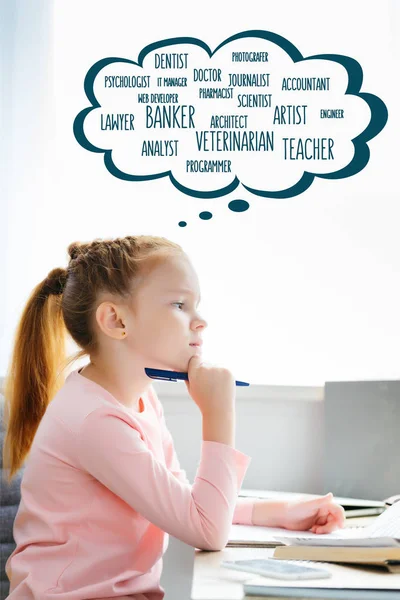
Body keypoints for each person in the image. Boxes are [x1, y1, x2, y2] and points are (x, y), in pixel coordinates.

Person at [2, 235, 345, 599]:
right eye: (180, 304)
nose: (200, 322)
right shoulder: (93, 421)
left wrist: (279, 511)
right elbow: (205, 529)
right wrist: (218, 413)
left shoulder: (141, 398)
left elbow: (186, 503)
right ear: (115, 320)